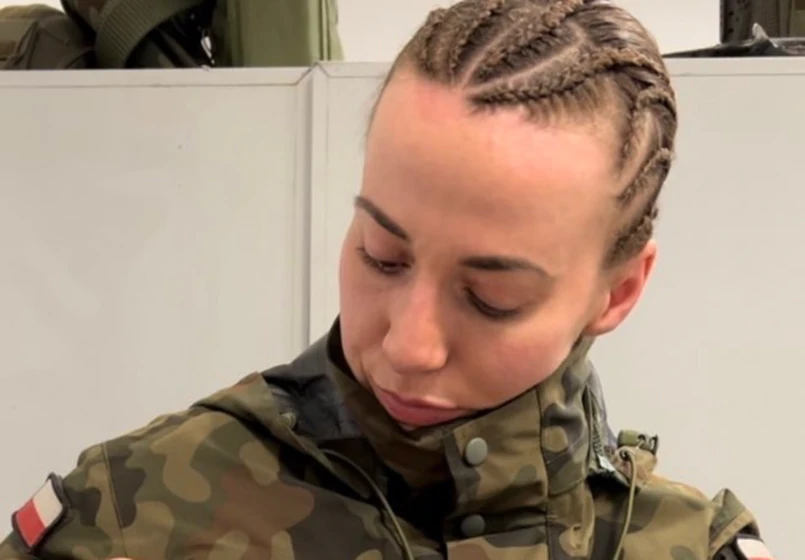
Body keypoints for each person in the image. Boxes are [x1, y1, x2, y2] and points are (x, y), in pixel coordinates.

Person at [0, 0, 771, 559]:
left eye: (491, 298)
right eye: (382, 256)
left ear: (618, 292)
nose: (408, 346)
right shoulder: (131, 516)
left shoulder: (687, 546)